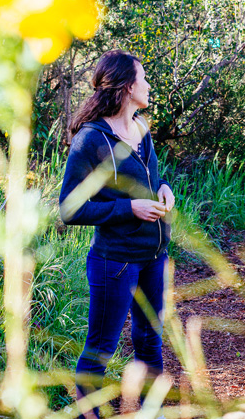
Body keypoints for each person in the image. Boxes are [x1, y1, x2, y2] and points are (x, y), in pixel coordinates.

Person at [59, 50, 174, 416]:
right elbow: (69, 209)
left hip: (154, 256)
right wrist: (129, 209)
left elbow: (151, 180)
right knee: (101, 349)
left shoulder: (141, 127)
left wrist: (163, 188)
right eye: (143, 78)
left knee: (149, 339)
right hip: (115, 262)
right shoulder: (92, 140)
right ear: (127, 87)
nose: (149, 85)